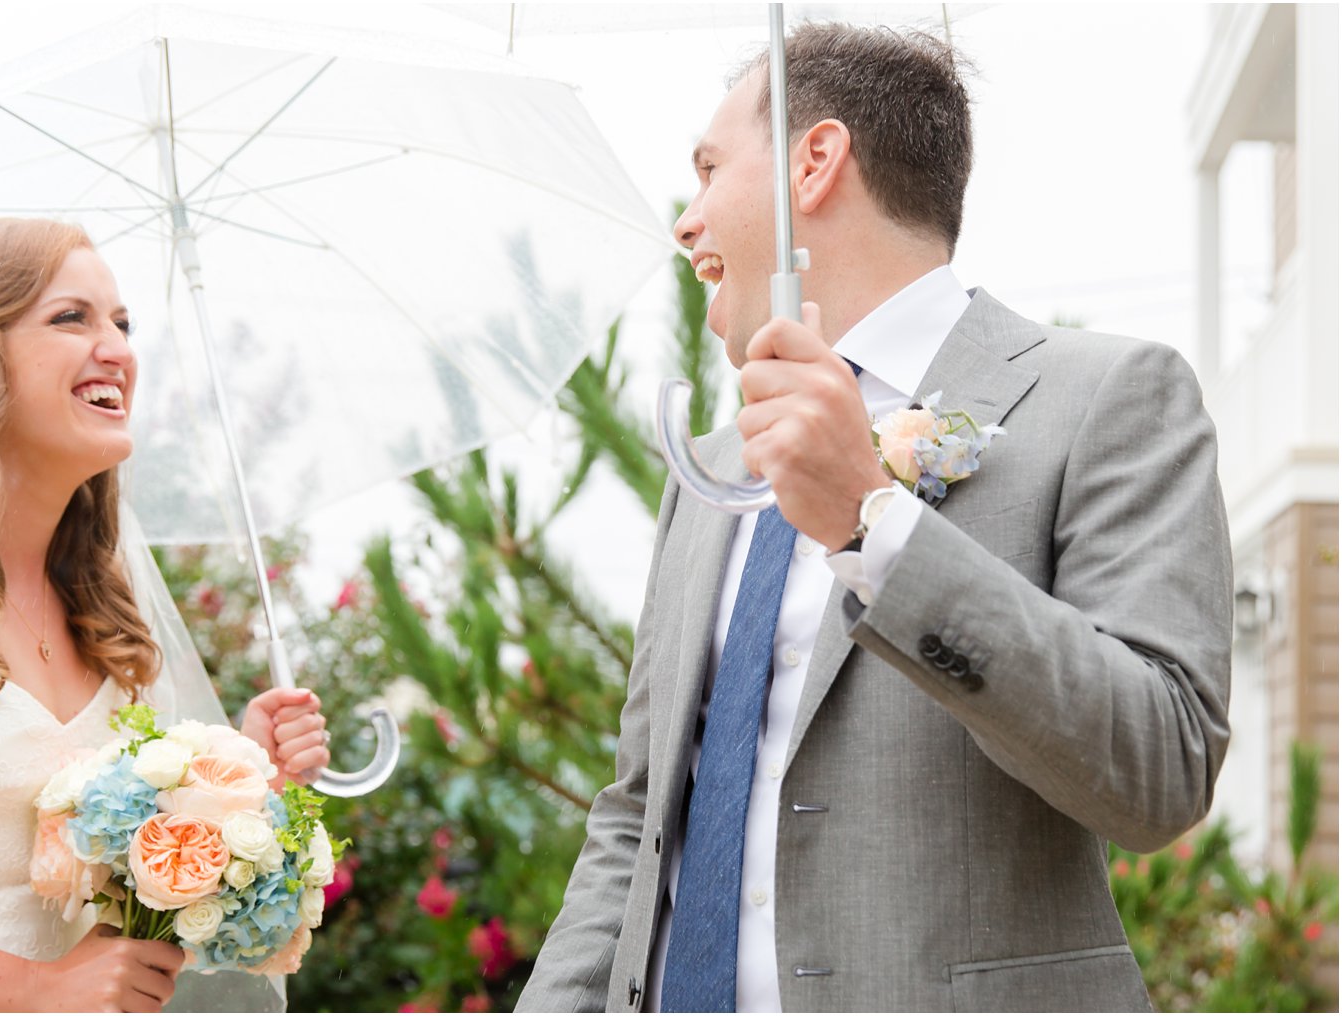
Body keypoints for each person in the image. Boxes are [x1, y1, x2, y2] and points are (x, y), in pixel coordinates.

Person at [519, 22, 1231, 1014]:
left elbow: (1159, 768)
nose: (684, 223)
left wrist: (873, 525)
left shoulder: (1106, 397)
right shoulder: (712, 469)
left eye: (709, 168)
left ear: (813, 161)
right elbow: (641, 811)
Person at [0, 218, 332, 1012]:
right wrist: (33, 988)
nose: (119, 350)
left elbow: (84, 871)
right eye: (73, 318)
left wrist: (228, 787)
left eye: (123, 324)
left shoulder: (93, 585)